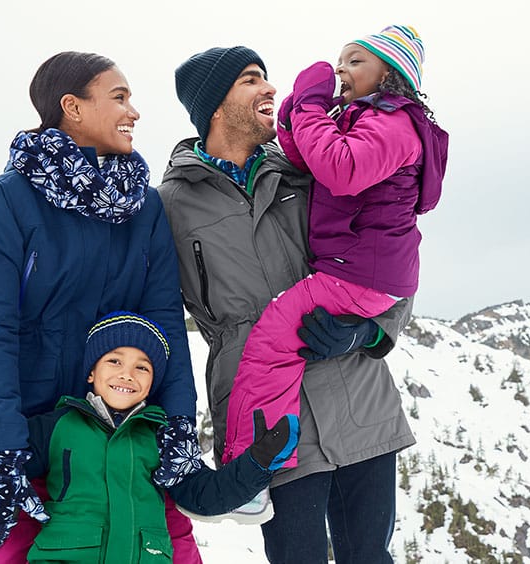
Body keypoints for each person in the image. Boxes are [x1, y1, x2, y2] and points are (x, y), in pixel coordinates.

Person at [159, 43, 421, 564]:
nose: (271, 89)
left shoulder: (308, 171)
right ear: (215, 106)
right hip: (268, 422)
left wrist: (369, 332)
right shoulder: (171, 205)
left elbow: (387, 255)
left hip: (357, 397)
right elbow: (156, 321)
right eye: (251, 80)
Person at [0, 51, 203, 562]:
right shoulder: (8, 200)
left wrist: (179, 422)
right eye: (119, 97)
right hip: (33, 435)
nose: (134, 111)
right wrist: (1, 449)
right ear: (72, 106)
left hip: (124, 433)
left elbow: (165, 322)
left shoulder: (145, 207)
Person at [0, 312, 299, 563]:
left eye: (142, 367)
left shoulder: (162, 438)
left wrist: (258, 462)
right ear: (91, 374)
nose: (127, 373)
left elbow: (205, 495)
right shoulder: (59, 426)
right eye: (114, 361)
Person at [218, 24, 448, 507]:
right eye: (340, 60)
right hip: (360, 270)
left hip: (359, 273)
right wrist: (297, 111)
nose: (341, 69)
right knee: (277, 341)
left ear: (390, 74)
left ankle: (248, 475)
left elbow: (340, 171)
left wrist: (308, 107)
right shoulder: (364, 120)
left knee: (271, 342)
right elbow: (309, 159)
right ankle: (259, 467)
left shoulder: (393, 124)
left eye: (354, 61)